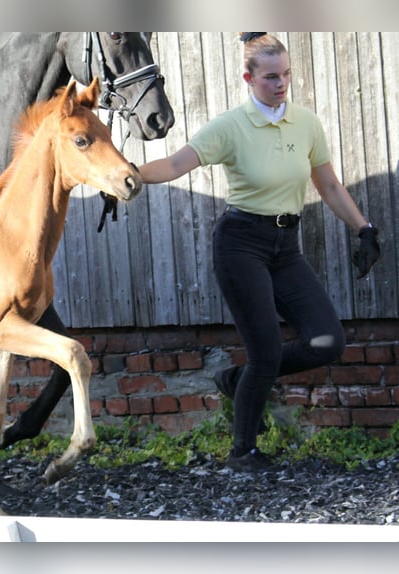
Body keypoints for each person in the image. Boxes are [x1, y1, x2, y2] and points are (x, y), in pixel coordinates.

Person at [136, 32, 381, 472]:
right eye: (271, 77)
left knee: (327, 340)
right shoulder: (230, 127)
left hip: (286, 247)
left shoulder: (305, 123)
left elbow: (326, 184)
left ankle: (236, 379)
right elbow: (175, 164)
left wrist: (364, 228)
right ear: (249, 79)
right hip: (241, 244)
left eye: (286, 74)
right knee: (265, 353)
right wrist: (126, 175)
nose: (281, 83)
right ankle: (242, 451)